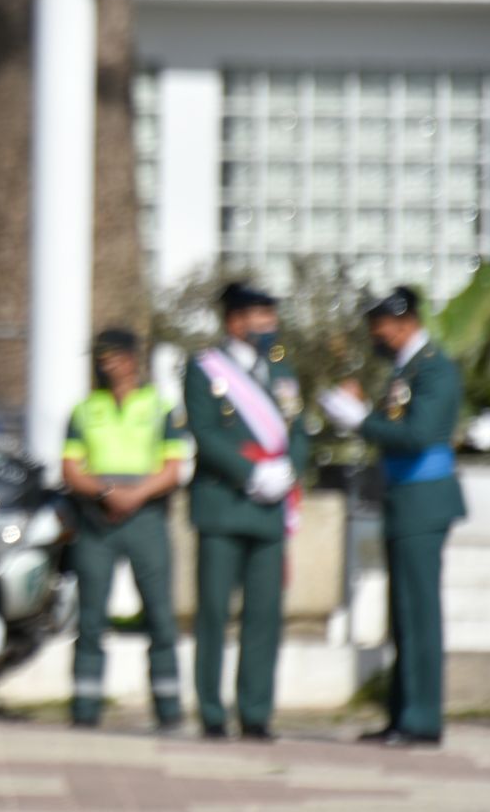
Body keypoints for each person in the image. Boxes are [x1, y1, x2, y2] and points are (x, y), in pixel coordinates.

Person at [320, 286, 468, 746]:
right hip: (404, 498)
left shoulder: (434, 369)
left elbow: (418, 434)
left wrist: (359, 420)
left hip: (424, 499)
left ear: (403, 322)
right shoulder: (406, 370)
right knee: (402, 613)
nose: (375, 335)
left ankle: (421, 719)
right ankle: (402, 713)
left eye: (379, 325)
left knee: (418, 612)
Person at [183, 283, 306, 741]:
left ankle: (256, 710)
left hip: (269, 512)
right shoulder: (205, 369)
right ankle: (212, 712)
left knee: (264, 615)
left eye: (271, 317)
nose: (268, 326)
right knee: (213, 611)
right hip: (223, 504)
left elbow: (298, 428)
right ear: (235, 320)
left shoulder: (282, 370)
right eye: (260, 317)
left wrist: (289, 468)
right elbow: (206, 432)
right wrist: (250, 473)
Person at [60, 328, 187, 731]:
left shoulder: (159, 407)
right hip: (97, 518)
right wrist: (107, 492)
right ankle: (85, 710)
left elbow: (172, 469)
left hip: (146, 516)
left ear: (133, 359)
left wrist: (135, 494)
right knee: (91, 619)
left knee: (160, 617)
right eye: (100, 356)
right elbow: (71, 469)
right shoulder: (84, 410)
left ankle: (168, 712)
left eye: (113, 355)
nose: (105, 363)